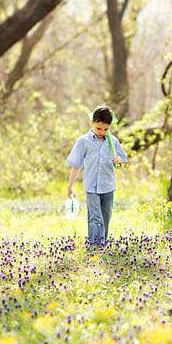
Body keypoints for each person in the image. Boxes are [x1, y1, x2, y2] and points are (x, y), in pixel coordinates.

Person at [66, 106, 127, 252]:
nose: (102, 133)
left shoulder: (113, 141)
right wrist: (70, 186)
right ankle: (94, 247)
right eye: (99, 128)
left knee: (105, 217)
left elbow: (122, 161)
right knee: (96, 218)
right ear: (92, 123)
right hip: (91, 187)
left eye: (105, 129)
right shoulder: (83, 141)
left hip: (108, 186)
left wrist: (119, 162)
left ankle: (102, 245)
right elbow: (76, 165)